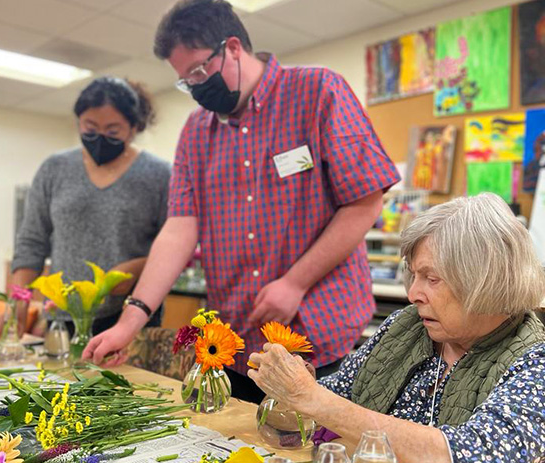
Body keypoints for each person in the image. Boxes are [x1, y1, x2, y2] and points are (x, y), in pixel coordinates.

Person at [83, 0, 400, 402]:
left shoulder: (318, 91)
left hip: (321, 337)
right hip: (236, 344)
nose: (196, 85)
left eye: (199, 70)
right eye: (186, 79)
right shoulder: (197, 132)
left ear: (233, 47)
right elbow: (179, 229)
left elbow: (364, 202)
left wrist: (294, 283)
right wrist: (131, 321)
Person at [248, 193, 545, 463]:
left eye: (432, 278)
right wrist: (296, 386)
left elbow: (474, 453)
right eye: (413, 274)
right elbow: (334, 396)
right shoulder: (405, 327)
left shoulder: (534, 361)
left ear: (485, 281)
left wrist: (310, 396)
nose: (413, 293)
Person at [6, 76, 171, 337]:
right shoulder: (55, 168)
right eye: (90, 129)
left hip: (130, 318)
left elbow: (174, 249)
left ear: (133, 127)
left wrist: (135, 268)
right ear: (78, 122)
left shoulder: (160, 175)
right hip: (62, 317)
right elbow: (31, 242)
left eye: (113, 131)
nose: (100, 138)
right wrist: (16, 307)